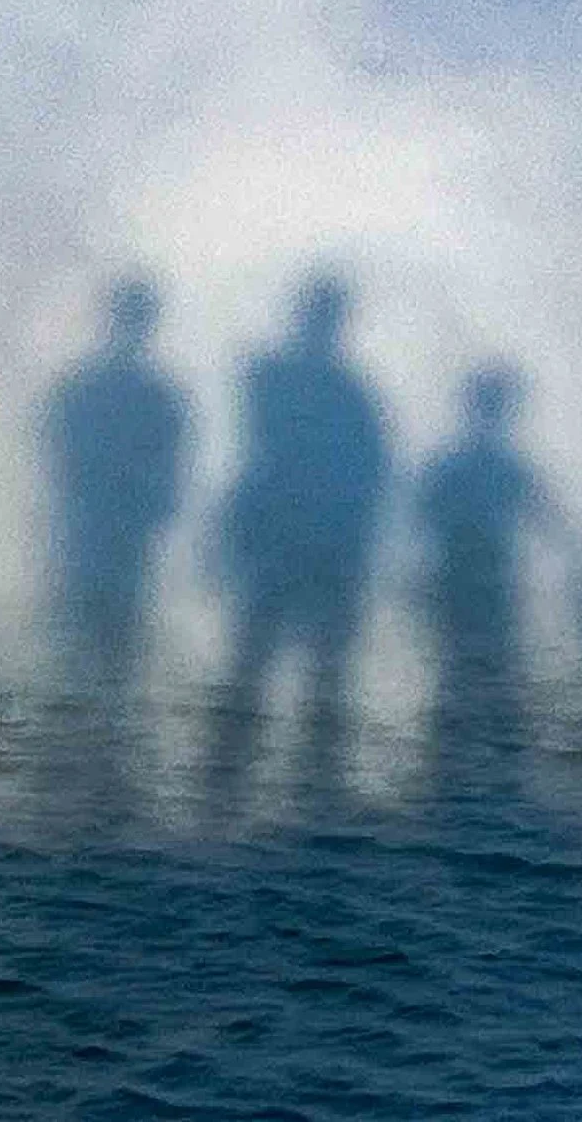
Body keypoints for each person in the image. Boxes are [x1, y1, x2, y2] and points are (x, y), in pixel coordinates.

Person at [207, 272, 389, 811]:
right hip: (304, 546)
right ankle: (294, 788)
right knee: (285, 667)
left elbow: (364, 480)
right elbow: (367, 479)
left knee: (293, 669)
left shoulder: (282, 379)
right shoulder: (343, 392)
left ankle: (248, 784)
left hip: (302, 546)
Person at [43, 276, 189, 691]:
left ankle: (88, 703)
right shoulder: (153, 394)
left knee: (103, 629)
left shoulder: (90, 386)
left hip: (110, 524)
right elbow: (58, 452)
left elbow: (170, 466)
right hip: (99, 522)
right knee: (94, 626)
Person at [414, 363, 549, 793]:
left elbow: (420, 524)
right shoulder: (495, 468)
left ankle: (452, 773)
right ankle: (489, 777)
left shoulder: (457, 466)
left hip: (473, 584)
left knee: (469, 674)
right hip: (476, 584)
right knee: (483, 675)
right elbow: (548, 520)